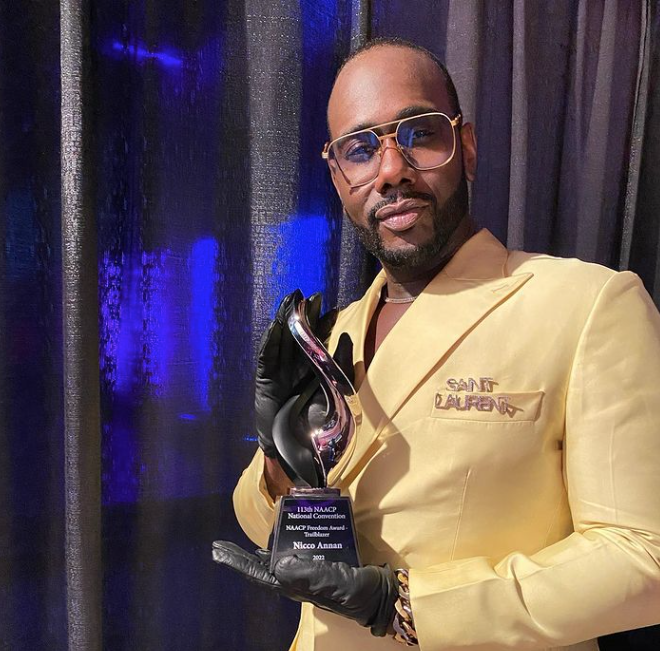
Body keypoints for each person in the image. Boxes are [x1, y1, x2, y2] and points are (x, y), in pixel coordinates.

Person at [213, 38, 660, 650]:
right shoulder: (333, 333)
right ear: (339, 176)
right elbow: (265, 528)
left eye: (419, 134)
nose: (391, 169)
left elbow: (643, 560)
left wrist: (402, 604)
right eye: (360, 149)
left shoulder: (587, 305)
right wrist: (280, 458)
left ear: (466, 149)